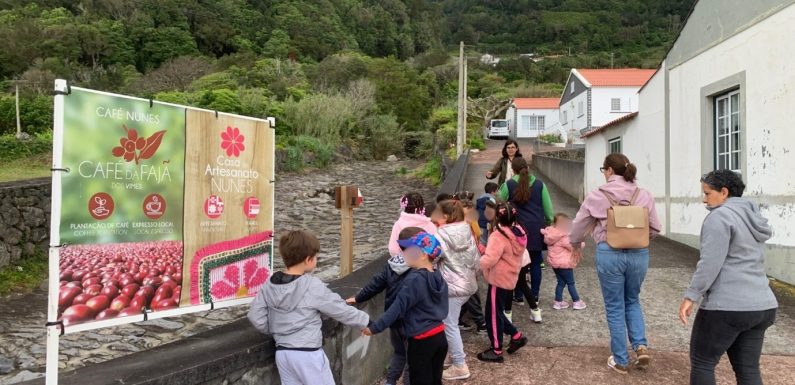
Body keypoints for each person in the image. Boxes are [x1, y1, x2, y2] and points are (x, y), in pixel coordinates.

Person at [678, 170, 778, 385]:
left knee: (703, 361)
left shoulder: (719, 217)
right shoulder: (753, 217)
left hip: (727, 306)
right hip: (763, 304)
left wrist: (691, 295)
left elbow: (710, 263)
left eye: (707, 193)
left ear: (724, 192)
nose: (704, 199)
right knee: (748, 370)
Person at [569, 153, 661, 375]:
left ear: (609, 170)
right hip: (639, 254)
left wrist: (575, 244)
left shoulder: (597, 195)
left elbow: (578, 227)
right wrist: (637, 238)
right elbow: (655, 228)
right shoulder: (644, 194)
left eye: (604, 170)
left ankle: (620, 359)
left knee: (614, 305)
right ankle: (640, 346)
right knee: (632, 300)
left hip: (609, 253)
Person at [248, 230, 369, 385]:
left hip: (283, 353)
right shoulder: (312, 285)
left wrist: (275, 329)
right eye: (316, 257)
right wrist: (366, 321)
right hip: (308, 354)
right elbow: (339, 309)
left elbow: (254, 316)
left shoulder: (269, 284)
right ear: (308, 260)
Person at [363, 231, 449, 385]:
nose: (404, 253)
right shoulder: (438, 276)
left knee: (419, 379)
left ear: (423, 255)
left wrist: (374, 328)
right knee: (435, 380)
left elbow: (396, 309)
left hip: (421, 340)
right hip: (440, 336)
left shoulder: (414, 280)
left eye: (409, 251)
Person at [347, 227, 425, 385]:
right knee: (414, 358)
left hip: (394, 320)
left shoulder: (392, 264)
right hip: (413, 320)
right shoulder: (419, 266)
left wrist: (359, 297)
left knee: (399, 353)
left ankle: (390, 381)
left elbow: (376, 283)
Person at [498, 157, 553, 323]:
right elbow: (549, 209)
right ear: (527, 167)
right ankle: (534, 296)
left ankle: (518, 295)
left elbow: (499, 202)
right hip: (536, 228)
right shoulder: (539, 184)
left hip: (517, 230)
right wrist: (548, 223)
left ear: (513, 170)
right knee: (536, 262)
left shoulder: (508, 185)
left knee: (516, 263)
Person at [433, 200, 480, 380]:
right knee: (450, 323)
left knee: (449, 324)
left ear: (445, 216)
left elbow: (433, 258)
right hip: (468, 285)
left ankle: (460, 365)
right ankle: (449, 356)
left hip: (451, 287)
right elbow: (477, 259)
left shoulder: (440, 234)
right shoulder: (467, 230)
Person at [477, 202, 529, 363]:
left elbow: (490, 259)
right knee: (497, 311)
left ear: (498, 217)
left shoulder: (498, 235)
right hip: (510, 277)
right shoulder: (520, 232)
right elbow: (504, 254)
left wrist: (479, 261)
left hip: (498, 279)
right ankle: (516, 336)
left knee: (491, 314)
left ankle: (496, 349)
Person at [542, 213, 586, 310]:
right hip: (565, 264)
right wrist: (581, 243)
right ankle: (576, 301)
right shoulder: (563, 236)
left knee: (561, 282)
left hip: (555, 263)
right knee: (571, 283)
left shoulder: (550, 234)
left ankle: (558, 302)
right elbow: (572, 246)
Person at [457, 198, 487, 333]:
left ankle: (459, 319)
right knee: (471, 293)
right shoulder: (462, 228)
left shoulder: (465, 226)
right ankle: (481, 323)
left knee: (468, 294)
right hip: (464, 265)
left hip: (468, 263)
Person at [388, 193, 438, 257]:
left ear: (404, 206)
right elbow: (434, 247)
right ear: (422, 206)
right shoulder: (429, 225)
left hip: (406, 261)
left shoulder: (398, 224)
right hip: (424, 261)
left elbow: (393, 249)